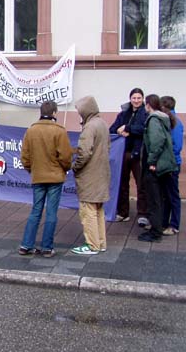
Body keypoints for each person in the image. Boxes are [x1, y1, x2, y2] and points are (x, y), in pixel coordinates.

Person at [18, 101, 73, 258]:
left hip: (38, 176)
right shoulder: (60, 131)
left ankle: (26, 245)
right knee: (51, 212)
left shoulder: (31, 130)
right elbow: (66, 156)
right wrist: (64, 168)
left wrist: (32, 169)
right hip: (55, 177)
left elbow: (25, 157)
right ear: (55, 113)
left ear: (40, 112)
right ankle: (47, 248)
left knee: (36, 210)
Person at [70, 96, 111, 255]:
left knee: (88, 211)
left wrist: (75, 167)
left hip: (90, 176)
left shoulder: (89, 127)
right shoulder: (102, 123)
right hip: (102, 173)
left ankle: (92, 245)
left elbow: (84, 152)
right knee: (98, 210)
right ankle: (100, 243)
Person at [138, 94, 178, 243]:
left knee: (154, 199)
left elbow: (157, 141)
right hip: (162, 166)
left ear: (148, 105)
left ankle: (155, 233)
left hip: (155, 167)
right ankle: (158, 227)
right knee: (158, 199)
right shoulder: (163, 118)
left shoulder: (154, 119)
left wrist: (151, 161)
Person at [109, 88, 147, 223]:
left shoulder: (146, 113)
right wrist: (120, 131)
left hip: (139, 153)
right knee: (122, 184)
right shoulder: (123, 113)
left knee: (141, 184)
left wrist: (128, 129)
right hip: (123, 153)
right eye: (134, 98)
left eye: (139, 98)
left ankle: (143, 213)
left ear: (143, 99)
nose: (136, 100)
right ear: (130, 99)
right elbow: (112, 129)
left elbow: (145, 129)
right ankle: (123, 212)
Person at [160, 96, 183, 236]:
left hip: (172, 164)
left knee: (173, 195)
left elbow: (177, 146)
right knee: (166, 195)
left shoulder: (175, 123)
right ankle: (164, 222)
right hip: (168, 163)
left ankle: (174, 225)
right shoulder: (167, 120)